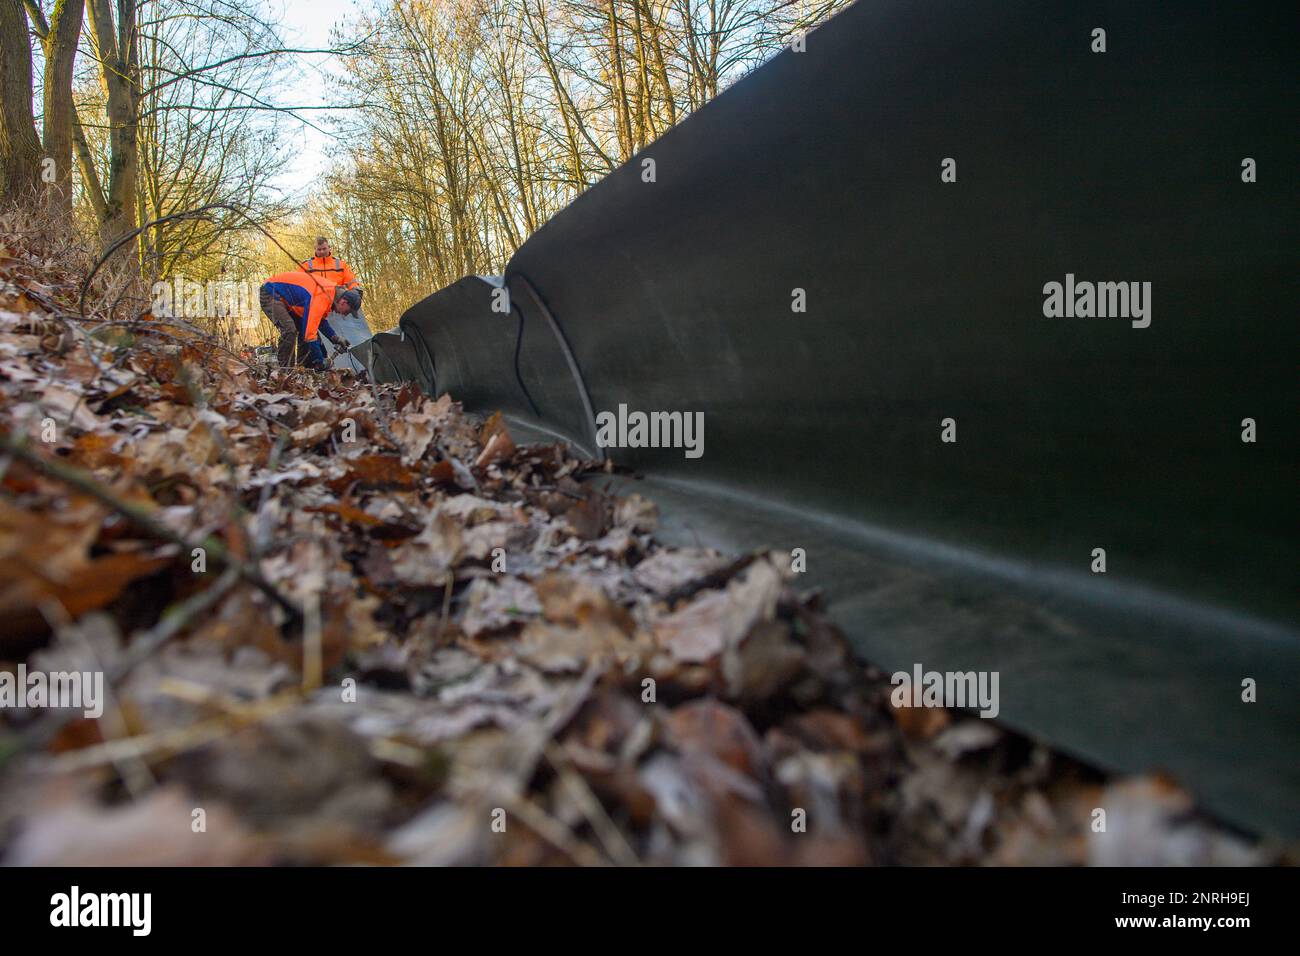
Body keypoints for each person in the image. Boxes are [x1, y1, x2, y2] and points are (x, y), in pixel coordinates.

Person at [258, 271, 359, 369]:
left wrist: (336, 339)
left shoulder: (330, 295)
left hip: (285, 298)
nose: (345, 315)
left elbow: (320, 322)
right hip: (270, 292)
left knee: (303, 330)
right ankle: (285, 370)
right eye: (347, 312)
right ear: (344, 302)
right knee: (289, 329)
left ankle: (303, 369)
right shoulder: (322, 297)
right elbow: (310, 335)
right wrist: (320, 361)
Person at [300, 237, 362, 301]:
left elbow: (351, 281)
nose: (322, 251)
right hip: (314, 300)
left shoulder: (341, 264)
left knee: (354, 303)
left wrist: (355, 292)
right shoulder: (306, 265)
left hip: (338, 300)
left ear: (329, 248)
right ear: (315, 249)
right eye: (319, 249)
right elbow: (298, 283)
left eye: (324, 249)